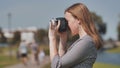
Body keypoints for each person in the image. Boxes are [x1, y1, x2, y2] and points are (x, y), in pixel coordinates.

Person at [48, 3, 103, 68]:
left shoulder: (87, 42)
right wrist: (63, 38)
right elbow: (61, 62)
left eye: (67, 21)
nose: (67, 25)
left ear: (79, 20)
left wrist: (52, 38)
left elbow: (56, 65)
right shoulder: (83, 41)